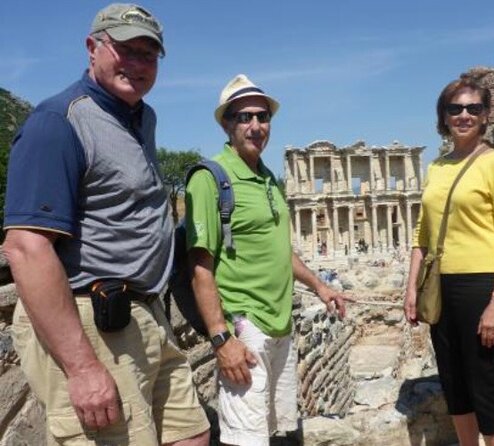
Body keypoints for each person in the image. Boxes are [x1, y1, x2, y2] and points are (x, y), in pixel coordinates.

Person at [4, 4, 211, 445]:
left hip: (148, 312)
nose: (137, 64)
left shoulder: (140, 118)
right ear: (93, 48)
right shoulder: (58, 122)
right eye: (125, 49)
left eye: (149, 54)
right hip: (91, 318)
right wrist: (81, 367)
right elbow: (25, 246)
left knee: (191, 434)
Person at [186, 74, 350, 446]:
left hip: (281, 325)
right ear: (226, 123)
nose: (256, 125)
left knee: (276, 430)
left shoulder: (268, 179)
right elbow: (200, 268)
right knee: (246, 437)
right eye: (244, 117)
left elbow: (280, 250)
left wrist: (319, 285)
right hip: (246, 327)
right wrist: (221, 339)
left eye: (263, 117)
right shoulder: (210, 178)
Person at [404, 76, 494, 446]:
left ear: (486, 116)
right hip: (441, 284)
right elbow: (423, 233)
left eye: (473, 108)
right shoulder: (437, 167)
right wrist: (411, 288)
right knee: (453, 381)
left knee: (485, 383)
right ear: (444, 116)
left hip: (480, 283)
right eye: (455, 109)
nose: (464, 115)